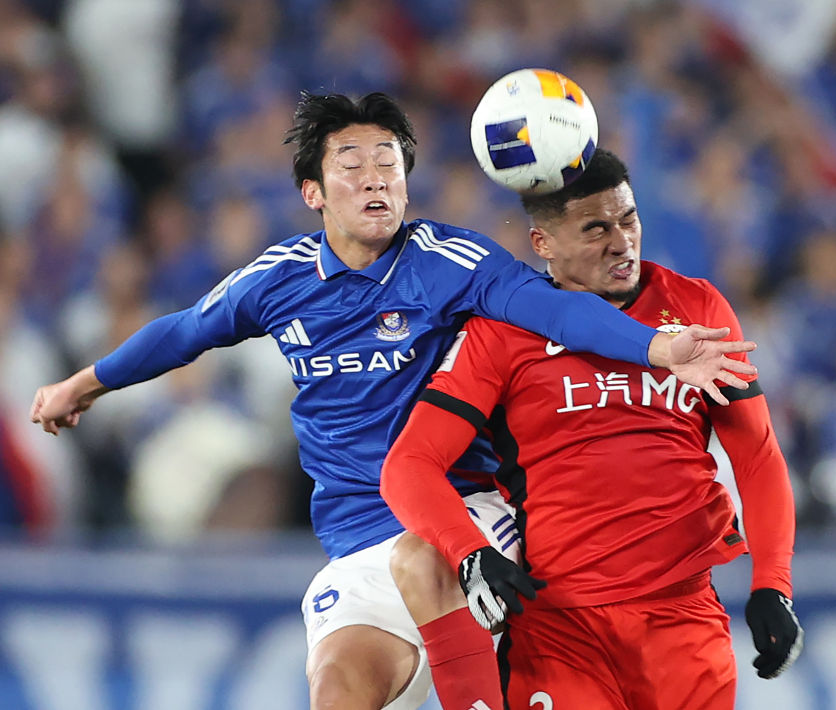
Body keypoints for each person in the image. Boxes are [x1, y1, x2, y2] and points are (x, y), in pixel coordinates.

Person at [27, 94, 758, 710]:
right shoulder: (276, 279)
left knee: (419, 557)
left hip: (466, 512)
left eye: (390, 164)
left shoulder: (453, 263)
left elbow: (558, 311)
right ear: (313, 192)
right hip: (354, 536)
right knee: (337, 688)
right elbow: (185, 332)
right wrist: (82, 385)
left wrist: (657, 348)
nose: (376, 179)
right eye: (352, 165)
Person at [382, 148, 802, 710]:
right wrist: (471, 554)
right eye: (596, 229)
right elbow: (408, 466)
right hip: (561, 633)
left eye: (628, 219)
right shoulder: (501, 331)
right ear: (543, 244)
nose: (621, 242)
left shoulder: (696, 307)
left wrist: (773, 583)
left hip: (685, 619)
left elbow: (757, 455)